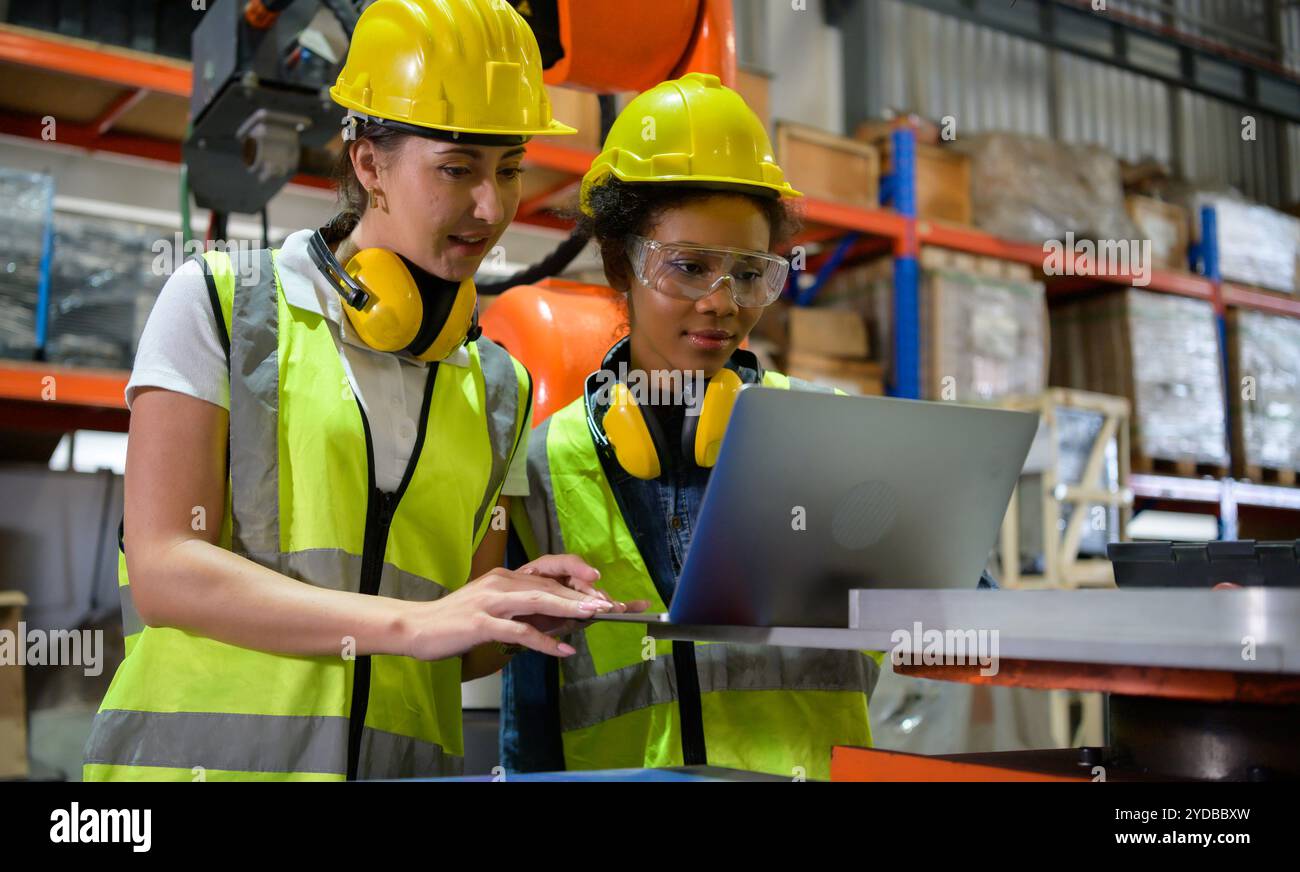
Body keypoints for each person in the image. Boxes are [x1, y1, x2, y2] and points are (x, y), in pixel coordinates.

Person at [82, 0, 631, 783]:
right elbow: (168, 570)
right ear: (369, 165)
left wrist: (514, 614)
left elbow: (454, 637)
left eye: (508, 168)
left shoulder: (499, 386)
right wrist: (412, 623)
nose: (491, 207)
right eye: (457, 169)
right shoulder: (221, 305)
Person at [500, 73, 887, 779]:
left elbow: (957, 616)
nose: (723, 302)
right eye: (688, 268)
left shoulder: (828, 437)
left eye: (749, 273)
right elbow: (530, 709)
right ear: (621, 262)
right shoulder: (542, 466)